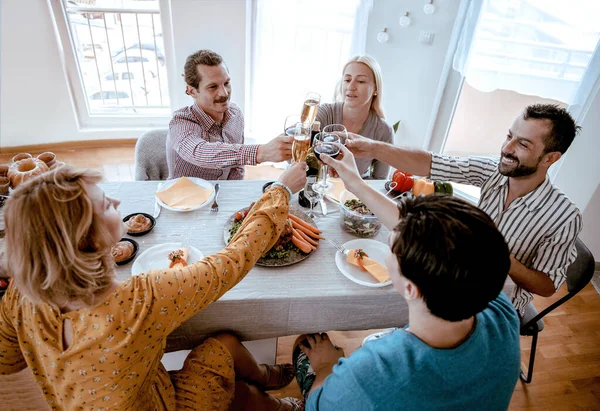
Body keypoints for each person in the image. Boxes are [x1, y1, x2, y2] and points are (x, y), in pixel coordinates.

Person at [0, 163, 306, 411]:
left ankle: (264, 379)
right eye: (107, 205)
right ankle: (277, 402)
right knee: (227, 356)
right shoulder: (139, 300)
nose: (118, 201)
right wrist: (280, 190)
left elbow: (7, 360)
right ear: (88, 241)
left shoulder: (20, 296)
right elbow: (234, 260)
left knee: (226, 357)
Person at [290, 145, 520, 410]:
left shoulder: (371, 374)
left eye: (391, 247)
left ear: (410, 288)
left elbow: (318, 406)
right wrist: (356, 184)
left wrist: (325, 366)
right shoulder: (501, 310)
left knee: (304, 346)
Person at [345, 104, 583, 314]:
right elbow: (430, 163)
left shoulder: (564, 216)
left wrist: (500, 257)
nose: (507, 148)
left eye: (522, 144)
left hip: (495, 305)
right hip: (456, 278)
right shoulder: (494, 171)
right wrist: (372, 148)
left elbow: (547, 286)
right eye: (509, 136)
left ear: (550, 158)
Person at [167, 49, 294, 180]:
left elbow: (237, 168)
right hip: (185, 198)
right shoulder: (180, 123)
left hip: (224, 193)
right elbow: (199, 152)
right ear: (192, 91)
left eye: (226, 83)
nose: (224, 93)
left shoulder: (235, 114)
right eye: (212, 87)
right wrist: (261, 152)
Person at [316, 55, 393, 180]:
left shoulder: (384, 131)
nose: (351, 87)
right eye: (347, 80)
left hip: (351, 196)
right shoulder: (325, 113)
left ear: (375, 89)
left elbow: (379, 181)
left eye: (361, 81)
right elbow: (297, 159)